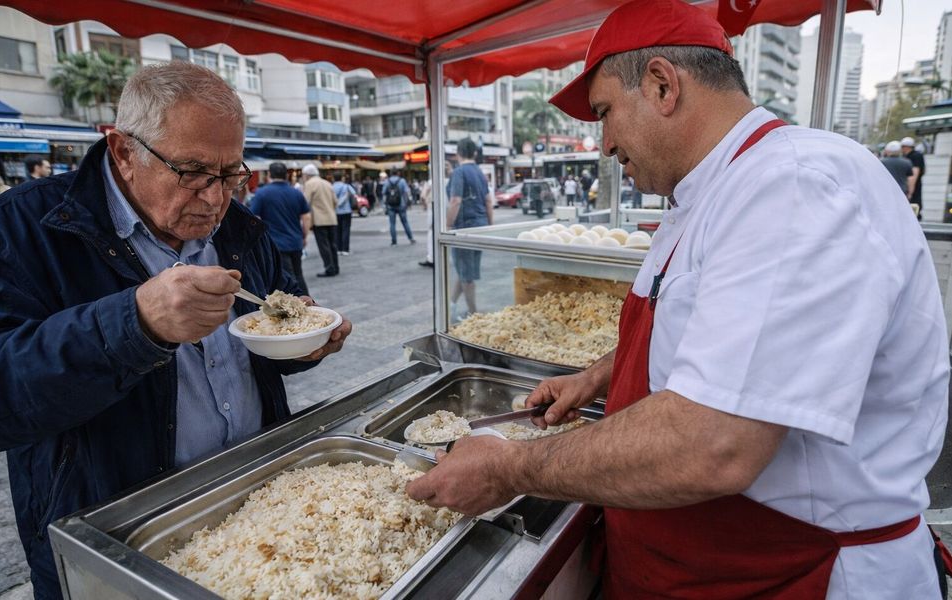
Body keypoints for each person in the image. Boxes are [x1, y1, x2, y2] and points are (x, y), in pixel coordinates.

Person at [406, 2, 950, 599]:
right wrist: (596, 377)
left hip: (793, 571)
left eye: (606, 113)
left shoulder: (793, 188)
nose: (605, 143)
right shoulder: (706, 192)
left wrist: (508, 468)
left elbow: (715, 444)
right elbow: (708, 327)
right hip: (691, 562)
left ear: (663, 85)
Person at [0, 61, 352, 600]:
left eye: (230, 174)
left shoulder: (241, 226)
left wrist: (300, 342)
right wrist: (135, 322)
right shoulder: (21, 228)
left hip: (255, 502)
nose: (214, 198)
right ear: (124, 152)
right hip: (121, 529)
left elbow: (263, 334)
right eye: (192, 171)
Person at [447, 138, 493, 316]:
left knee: (466, 276)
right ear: (474, 153)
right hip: (480, 227)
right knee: (465, 270)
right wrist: (490, 227)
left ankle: (474, 315)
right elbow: (488, 202)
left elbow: (455, 201)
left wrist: (448, 225)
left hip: (464, 227)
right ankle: (451, 304)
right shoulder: (480, 173)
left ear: (458, 153)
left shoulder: (459, 173)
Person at [249, 161, 312, 294]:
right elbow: (306, 217)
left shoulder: (262, 193)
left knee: (288, 281)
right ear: (286, 175)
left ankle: (302, 308)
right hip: (295, 241)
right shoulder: (296, 193)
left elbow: (254, 218)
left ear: (269, 174)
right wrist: (304, 236)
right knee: (298, 274)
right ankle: (308, 304)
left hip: (275, 244)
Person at [301, 164, 339, 277]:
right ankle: (336, 267)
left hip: (319, 219)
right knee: (332, 244)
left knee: (324, 245)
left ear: (307, 175)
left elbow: (305, 202)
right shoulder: (327, 183)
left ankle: (329, 268)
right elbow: (335, 202)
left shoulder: (309, 184)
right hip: (331, 218)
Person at [384, 169, 415, 246]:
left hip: (390, 205)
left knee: (392, 223)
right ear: (398, 173)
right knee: (405, 222)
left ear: (390, 173)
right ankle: (410, 238)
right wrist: (408, 202)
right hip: (401, 204)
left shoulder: (387, 181)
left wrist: (384, 205)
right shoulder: (402, 181)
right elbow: (407, 192)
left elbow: (383, 192)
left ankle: (394, 241)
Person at [901, 136, 926, 219]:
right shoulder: (914, 155)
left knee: (913, 207)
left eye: (902, 147)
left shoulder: (915, 156)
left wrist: (910, 191)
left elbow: (914, 174)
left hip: (914, 186)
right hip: (914, 185)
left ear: (906, 147)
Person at [332, 173, 354, 256]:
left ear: (334, 178)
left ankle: (338, 249)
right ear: (341, 178)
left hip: (335, 211)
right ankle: (345, 249)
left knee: (337, 230)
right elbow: (354, 194)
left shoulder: (331, 187)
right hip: (346, 211)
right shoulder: (346, 186)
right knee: (346, 230)